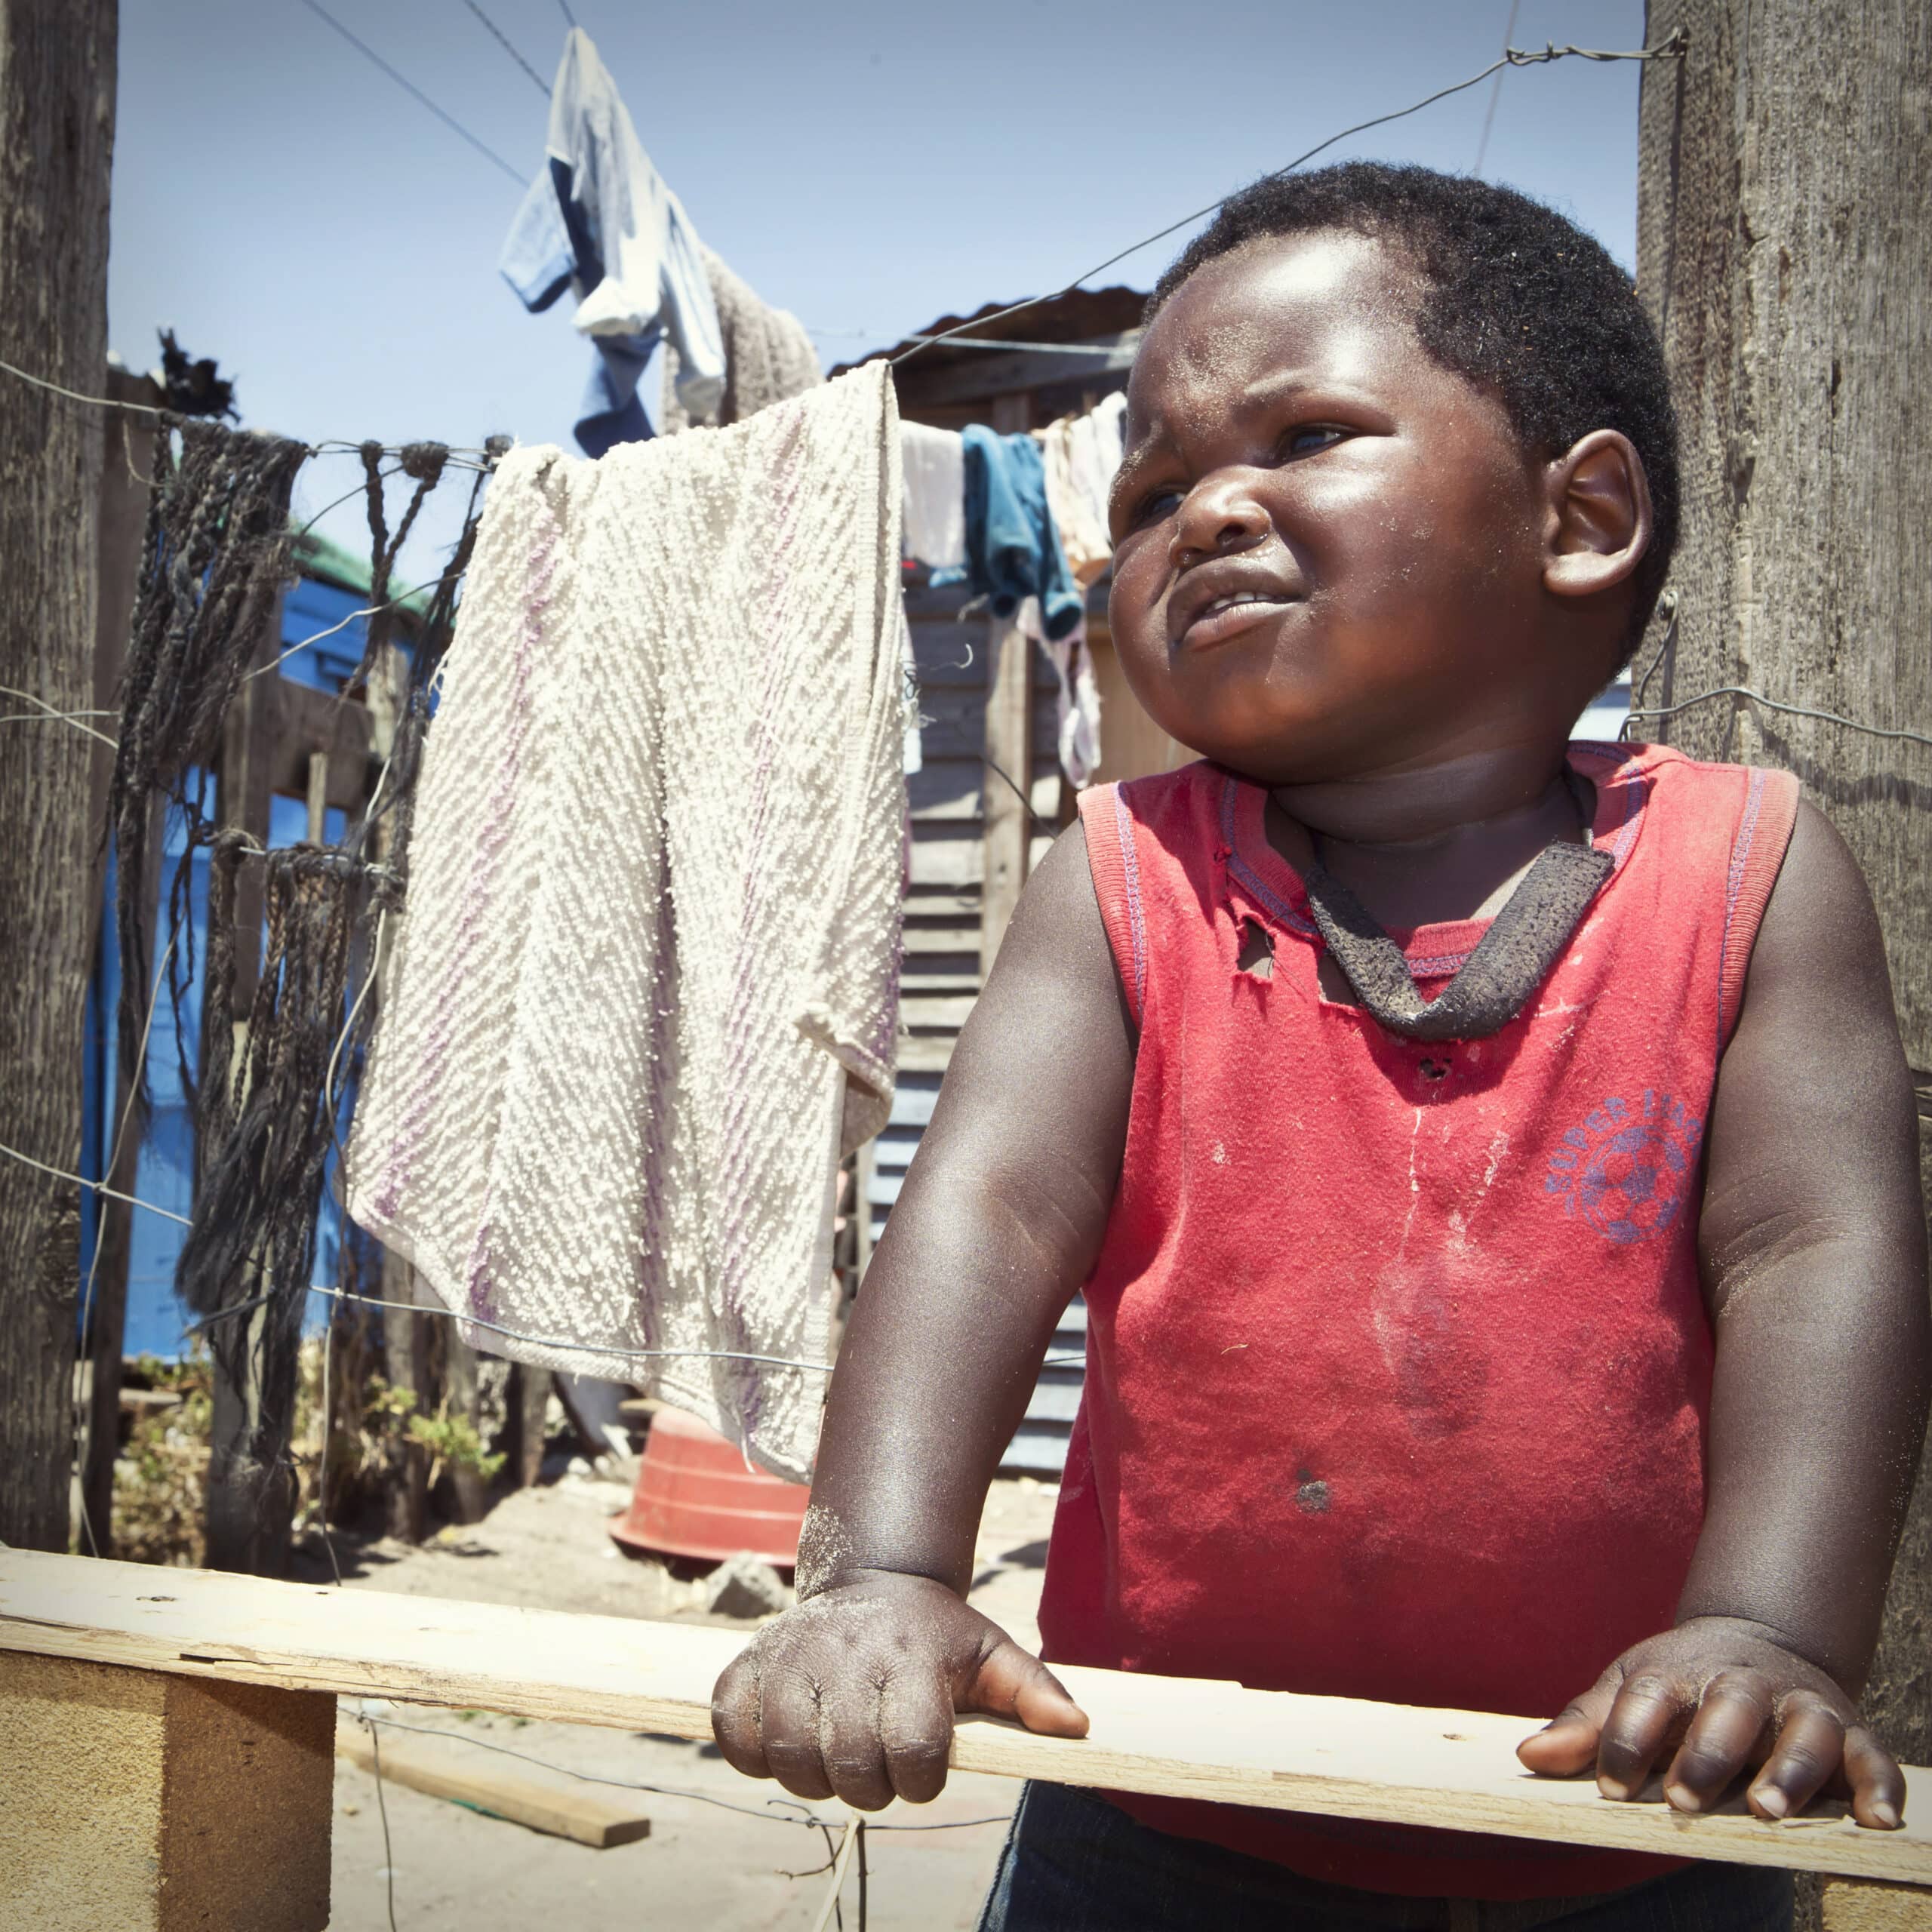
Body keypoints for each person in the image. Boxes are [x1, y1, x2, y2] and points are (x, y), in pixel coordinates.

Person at [710, 163, 1931, 1930]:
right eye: (1152, 492)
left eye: (1300, 435)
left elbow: (1816, 1253)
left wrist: (1766, 1631)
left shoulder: (1743, 869)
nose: (1204, 512)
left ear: (1577, 516)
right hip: (1162, 1802)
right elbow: (979, 1220)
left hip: (1643, 1820)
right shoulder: (1118, 882)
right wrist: (880, 1569)